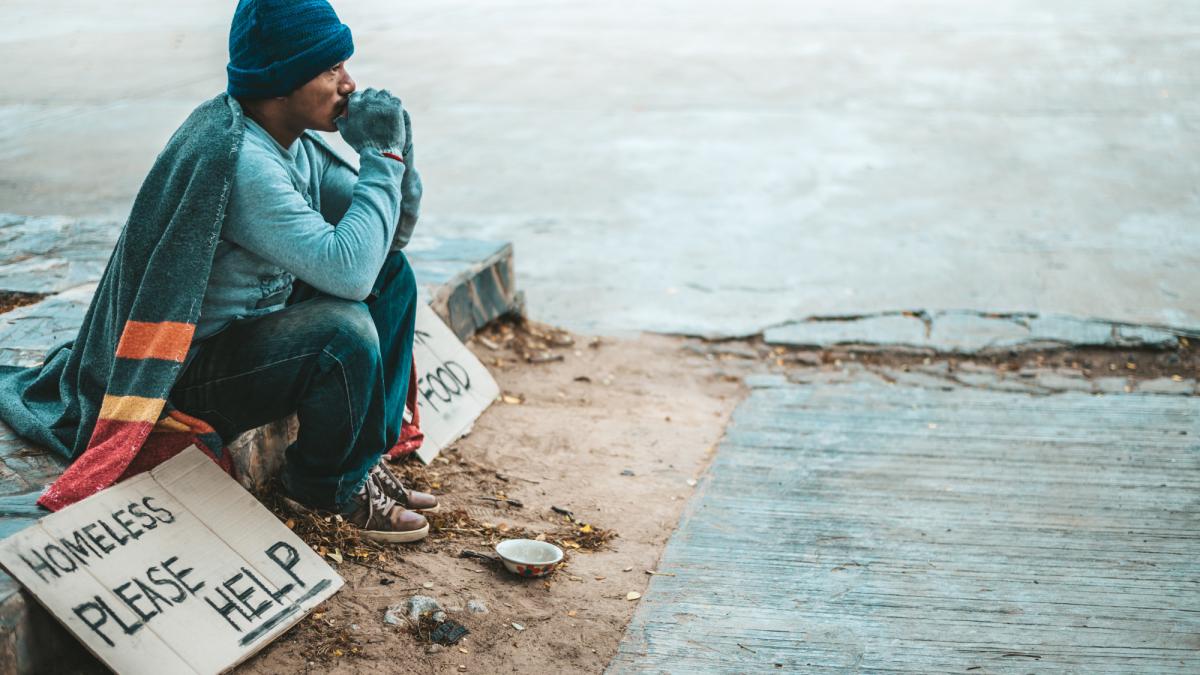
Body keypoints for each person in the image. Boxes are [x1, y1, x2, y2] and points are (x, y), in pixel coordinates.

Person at [0, 0, 436, 542]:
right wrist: (381, 159)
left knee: (393, 275)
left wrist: (398, 152)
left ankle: (362, 458)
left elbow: (386, 244)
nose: (349, 83)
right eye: (331, 69)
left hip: (253, 332)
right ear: (283, 82)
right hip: (191, 371)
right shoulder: (244, 163)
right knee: (343, 332)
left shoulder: (294, 142)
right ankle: (329, 486)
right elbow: (349, 277)